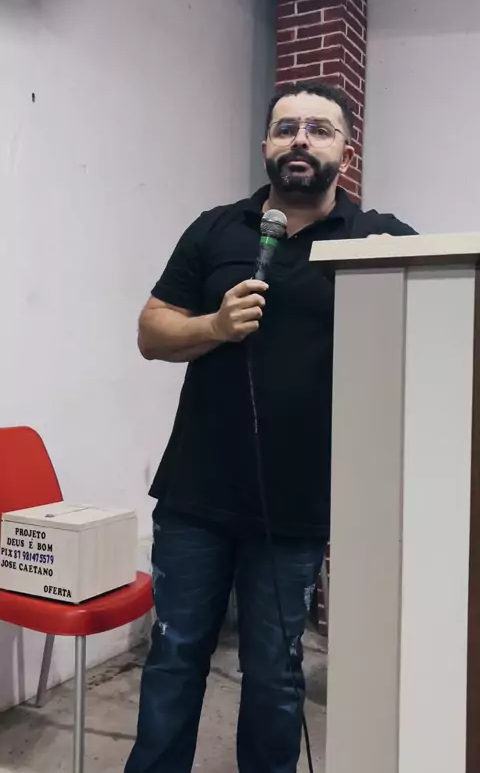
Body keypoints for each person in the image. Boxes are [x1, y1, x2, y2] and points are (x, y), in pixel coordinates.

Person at [125, 81, 416, 773]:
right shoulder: (217, 229)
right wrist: (214, 325)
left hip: (297, 504)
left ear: (346, 151)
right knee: (173, 660)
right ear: (265, 146)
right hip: (196, 496)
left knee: (276, 676)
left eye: (319, 129)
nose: (300, 140)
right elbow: (151, 332)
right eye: (287, 128)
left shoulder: (376, 237)